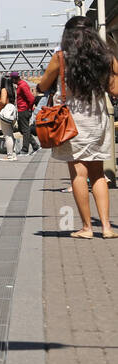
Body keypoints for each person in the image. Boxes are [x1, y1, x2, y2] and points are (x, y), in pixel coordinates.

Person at [35, 16, 118, 239]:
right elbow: (115, 89)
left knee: (79, 174)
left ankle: (87, 228)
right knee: (98, 174)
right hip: (97, 120)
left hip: (71, 121)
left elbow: (43, 85)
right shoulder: (106, 58)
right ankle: (108, 228)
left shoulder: (60, 58)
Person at [0, 74, 18, 161]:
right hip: (12, 111)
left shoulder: (4, 89)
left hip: (6, 113)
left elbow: (3, 101)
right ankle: (13, 154)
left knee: (7, 135)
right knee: (10, 134)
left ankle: (9, 156)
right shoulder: (12, 90)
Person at [17, 72, 39, 155]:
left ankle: (25, 149)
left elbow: (31, 98)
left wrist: (29, 108)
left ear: (15, 78)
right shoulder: (20, 85)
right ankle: (35, 145)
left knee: (25, 130)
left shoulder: (22, 85)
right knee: (22, 129)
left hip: (24, 110)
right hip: (22, 110)